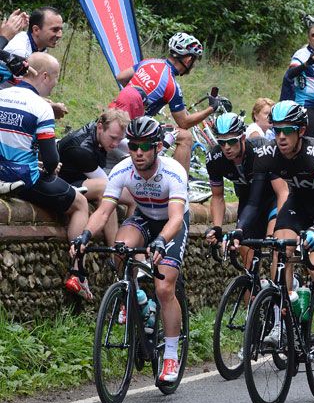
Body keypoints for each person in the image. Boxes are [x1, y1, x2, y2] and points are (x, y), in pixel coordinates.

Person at [71, 116, 190, 382]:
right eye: (134, 144)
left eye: (145, 146)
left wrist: (161, 240)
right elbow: (104, 211)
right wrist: (85, 236)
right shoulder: (123, 169)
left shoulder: (173, 172)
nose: (138, 152)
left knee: (164, 287)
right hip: (145, 216)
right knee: (120, 248)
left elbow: (175, 218)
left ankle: (170, 356)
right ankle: (134, 296)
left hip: (171, 221)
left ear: (158, 147)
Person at [230, 101, 314, 365]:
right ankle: (286, 307)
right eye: (277, 130)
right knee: (280, 251)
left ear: (301, 131)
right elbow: (253, 202)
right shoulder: (269, 154)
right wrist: (239, 229)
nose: (281, 136)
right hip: (298, 203)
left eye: (288, 131)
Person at [1, 53, 91, 292]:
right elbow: (51, 158)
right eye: (55, 78)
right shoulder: (41, 107)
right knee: (80, 203)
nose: (55, 84)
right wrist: (49, 169)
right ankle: (77, 272)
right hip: (23, 180)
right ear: (43, 76)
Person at [110, 32, 215, 172]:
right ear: (189, 59)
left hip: (111, 116)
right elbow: (184, 123)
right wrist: (211, 108)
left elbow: (121, 77)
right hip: (130, 132)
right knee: (185, 136)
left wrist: (139, 94)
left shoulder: (149, 62)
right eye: (194, 61)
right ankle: (180, 185)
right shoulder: (171, 85)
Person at [205, 112, 288, 268]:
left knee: (275, 246)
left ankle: (280, 287)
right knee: (245, 251)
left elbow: (282, 192)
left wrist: (281, 222)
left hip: (272, 198)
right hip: (248, 200)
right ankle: (254, 289)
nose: (227, 147)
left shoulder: (262, 150)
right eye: (222, 142)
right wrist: (217, 228)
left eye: (231, 141)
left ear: (243, 138)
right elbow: (217, 197)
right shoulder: (214, 158)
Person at [57, 108, 132, 245]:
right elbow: (108, 183)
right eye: (113, 138)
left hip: (80, 180)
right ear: (100, 127)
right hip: (63, 184)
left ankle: (130, 244)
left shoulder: (101, 132)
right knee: (106, 189)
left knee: (133, 195)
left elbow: (129, 145)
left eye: (119, 139)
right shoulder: (82, 149)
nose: (115, 144)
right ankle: (114, 251)